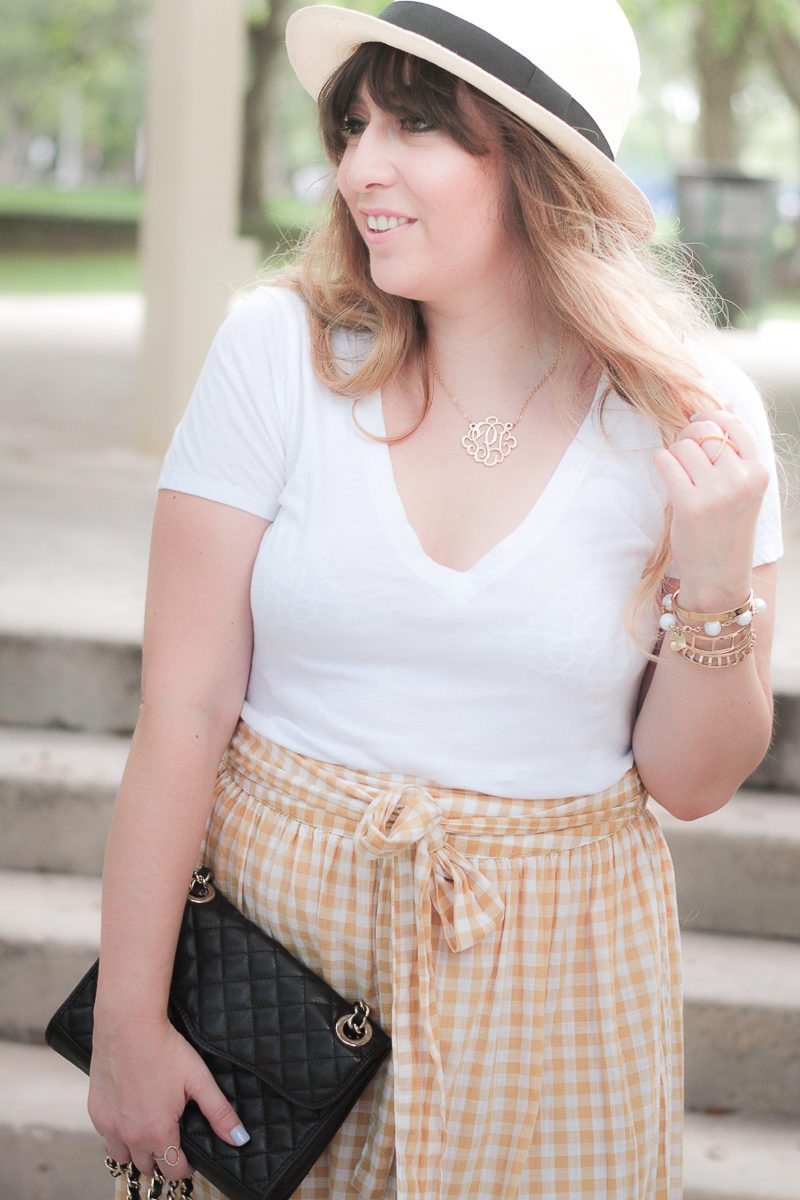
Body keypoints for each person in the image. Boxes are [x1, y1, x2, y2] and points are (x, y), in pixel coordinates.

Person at [87, 1, 783, 1198]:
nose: (359, 166)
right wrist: (126, 1022)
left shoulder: (689, 414)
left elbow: (690, 780)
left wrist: (713, 582)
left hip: (561, 964)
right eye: (352, 123)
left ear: (535, 161)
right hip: (277, 943)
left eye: (415, 124)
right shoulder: (277, 352)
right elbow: (185, 708)